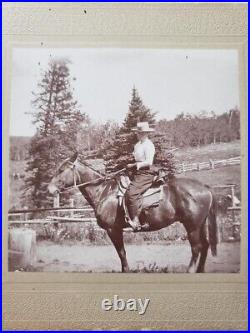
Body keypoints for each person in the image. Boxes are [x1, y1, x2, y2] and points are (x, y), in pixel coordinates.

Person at [125, 122, 156, 231]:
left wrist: (134, 165)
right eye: (138, 133)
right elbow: (136, 158)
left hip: (146, 173)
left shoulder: (149, 145)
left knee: (131, 192)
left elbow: (149, 162)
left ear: (146, 133)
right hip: (136, 172)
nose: (138, 135)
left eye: (141, 133)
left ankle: (135, 220)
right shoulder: (137, 145)